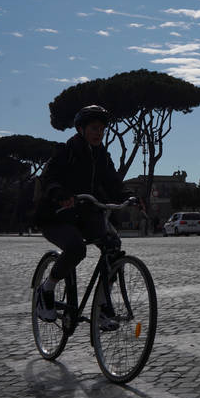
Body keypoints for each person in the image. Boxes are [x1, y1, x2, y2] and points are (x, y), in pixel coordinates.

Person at [34, 105, 128, 328]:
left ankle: (103, 307)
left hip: (85, 215)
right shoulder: (65, 151)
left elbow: (113, 183)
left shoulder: (102, 156)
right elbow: (49, 178)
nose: (99, 133)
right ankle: (46, 289)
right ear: (81, 129)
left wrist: (130, 196)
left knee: (113, 246)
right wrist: (59, 193)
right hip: (55, 216)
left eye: (102, 130)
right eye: (94, 128)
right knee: (76, 248)